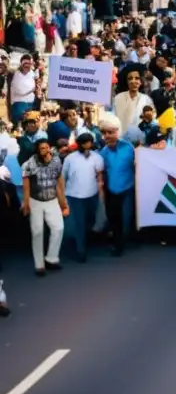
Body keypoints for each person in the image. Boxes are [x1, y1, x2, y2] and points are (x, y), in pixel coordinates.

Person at [21, 139, 67, 275]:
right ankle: (39, 265)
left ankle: (51, 259)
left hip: (52, 199)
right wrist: (26, 203)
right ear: (37, 150)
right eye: (42, 148)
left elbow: (59, 182)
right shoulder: (29, 164)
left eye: (47, 147)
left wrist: (63, 202)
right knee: (37, 232)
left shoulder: (56, 161)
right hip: (35, 200)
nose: (46, 150)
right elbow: (26, 186)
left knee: (58, 228)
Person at [62, 131, 104, 262]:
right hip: (74, 196)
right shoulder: (70, 159)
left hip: (92, 195)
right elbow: (63, 177)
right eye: (85, 143)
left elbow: (99, 177)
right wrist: (63, 197)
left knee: (91, 221)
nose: (87, 145)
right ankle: (81, 251)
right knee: (79, 223)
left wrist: (101, 194)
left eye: (89, 143)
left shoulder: (97, 158)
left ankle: (89, 243)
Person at [98, 116, 136, 257]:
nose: (107, 136)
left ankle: (123, 240)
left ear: (117, 132)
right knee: (114, 219)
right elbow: (101, 173)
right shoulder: (103, 152)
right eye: (105, 133)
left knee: (125, 218)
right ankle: (118, 245)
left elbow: (138, 164)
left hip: (128, 189)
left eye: (111, 132)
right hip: (111, 191)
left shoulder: (129, 147)